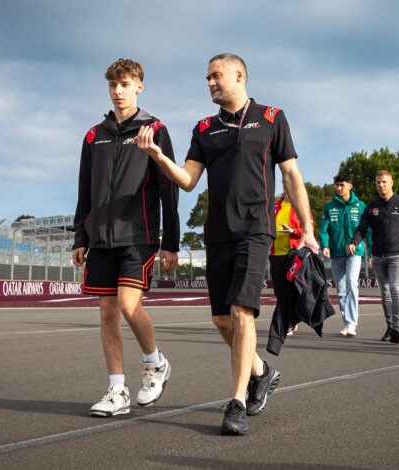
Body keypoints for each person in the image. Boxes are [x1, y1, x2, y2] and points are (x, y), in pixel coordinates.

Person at [137, 53, 319, 435]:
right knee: (221, 319)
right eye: (207, 78)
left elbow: (291, 175)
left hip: (256, 230)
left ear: (240, 76)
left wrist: (308, 229)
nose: (210, 83)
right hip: (217, 233)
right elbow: (187, 180)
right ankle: (262, 371)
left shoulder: (272, 118)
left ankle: (236, 402)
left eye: (216, 76)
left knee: (241, 312)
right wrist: (157, 156)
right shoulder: (204, 128)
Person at [72, 58, 180, 417]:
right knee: (106, 312)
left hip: (139, 235)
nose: (118, 91)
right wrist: (79, 237)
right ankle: (117, 390)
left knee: (128, 305)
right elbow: (84, 190)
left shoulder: (155, 129)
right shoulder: (93, 135)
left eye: (125, 84)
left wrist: (172, 242)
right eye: (113, 85)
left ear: (139, 86)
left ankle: (154, 363)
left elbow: (169, 190)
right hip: (100, 237)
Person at [348, 170, 399, 344]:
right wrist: (354, 242)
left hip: (398, 256)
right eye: (378, 183)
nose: (381, 185)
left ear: (391, 182)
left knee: (396, 289)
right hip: (378, 257)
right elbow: (361, 229)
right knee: (385, 293)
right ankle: (390, 328)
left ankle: (397, 327)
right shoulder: (371, 207)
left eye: (384, 182)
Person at [320, 174, 367, 337]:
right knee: (340, 289)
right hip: (336, 252)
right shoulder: (329, 206)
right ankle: (347, 323)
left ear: (350, 186)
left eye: (342, 185)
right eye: (337, 185)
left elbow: (366, 229)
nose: (339, 188)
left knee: (351, 283)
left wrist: (372, 250)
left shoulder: (360, 206)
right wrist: (325, 245)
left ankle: (352, 323)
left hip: (355, 252)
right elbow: (324, 229)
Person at [270, 188, 304, 336]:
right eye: (284, 187)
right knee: (279, 290)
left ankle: (292, 320)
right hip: (275, 254)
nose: (286, 190)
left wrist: (292, 230)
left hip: (293, 254)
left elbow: (307, 230)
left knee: (293, 289)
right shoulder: (275, 206)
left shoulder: (301, 207)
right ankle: (286, 320)